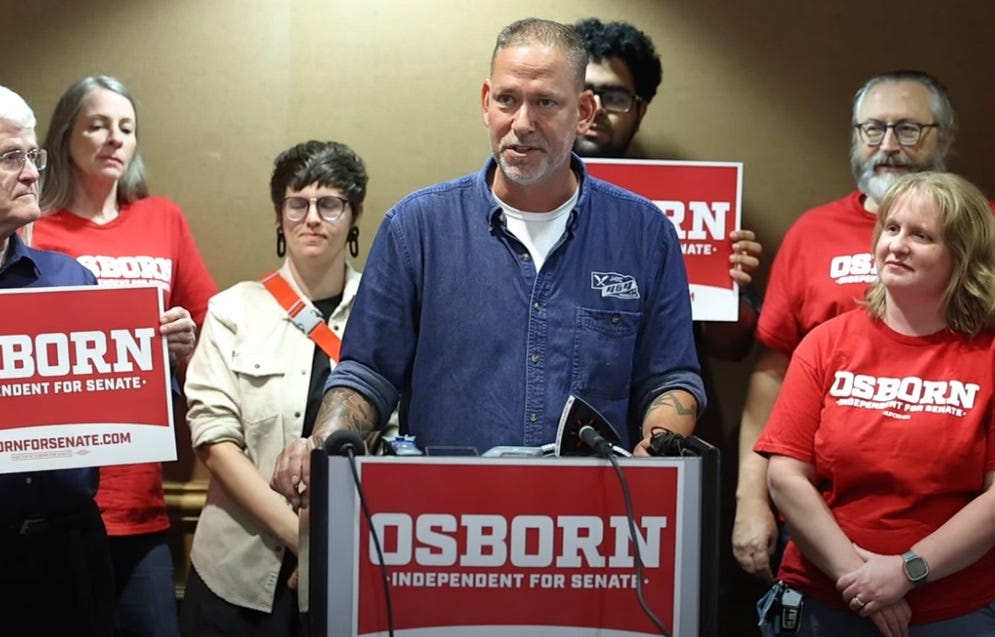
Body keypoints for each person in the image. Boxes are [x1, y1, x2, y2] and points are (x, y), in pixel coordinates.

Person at [271, 17, 705, 507]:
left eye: (545, 102)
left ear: (583, 112)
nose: (522, 123)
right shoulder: (416, 228)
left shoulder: (644, 235)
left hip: (594, 524)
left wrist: (659, 448)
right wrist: (323, 445)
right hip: (445, 524)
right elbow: (367, 373)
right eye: (507, 99)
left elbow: (672, 378)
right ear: (486, 102)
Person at [571, 16, 764, 630]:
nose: (597, 110)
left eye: (617, 96)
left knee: (665, 603)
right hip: (556, 439)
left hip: (667, 445)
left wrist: (729, 288)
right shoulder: (520, 197)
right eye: (586, 91)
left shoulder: (688, 200)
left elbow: (731, 346)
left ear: (642, 108)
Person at [733, 70, 957, 585]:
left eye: (907, 129)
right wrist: (750, 496)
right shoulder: (812, 233)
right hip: (817, 514)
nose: (887, 146)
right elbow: (771, 375)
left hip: (952, 532)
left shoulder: (982, 231)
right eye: (872, 129)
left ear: (944, 137)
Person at [754, 171, 995, 636]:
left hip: (952, 608)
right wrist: (862, 582)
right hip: (825, 596)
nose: (898, 245)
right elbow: (786, 477)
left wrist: (906, 572)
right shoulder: (826, 343)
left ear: (961, 257)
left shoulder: (986, 357)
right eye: (892, 228)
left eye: (922, 235)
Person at [31, 75, 217, 637]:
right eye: (98, 124)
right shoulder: (36, 228)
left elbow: (209, 329)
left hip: (141, 492)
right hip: (55, 497)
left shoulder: (163, 219)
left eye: (127, 128)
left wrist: (185, 345)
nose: (115, 138)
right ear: (65, 136)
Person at [178, 140, 368, 637]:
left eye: (330, 203)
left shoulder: (383, 313)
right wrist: (306, 543)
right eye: (297, 203)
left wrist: (334, 553)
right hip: (236, 572)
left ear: (354, 215)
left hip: (354, 566)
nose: (312, 218)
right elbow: (215, 442)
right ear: (278, 214)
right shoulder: (232, 312)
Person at [0, 85, 114, 635]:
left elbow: (118, 412)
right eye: (9, 158)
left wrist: (165, 362)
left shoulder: (70, 280)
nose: (30, 174)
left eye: (33, 156)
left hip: (68, 550)